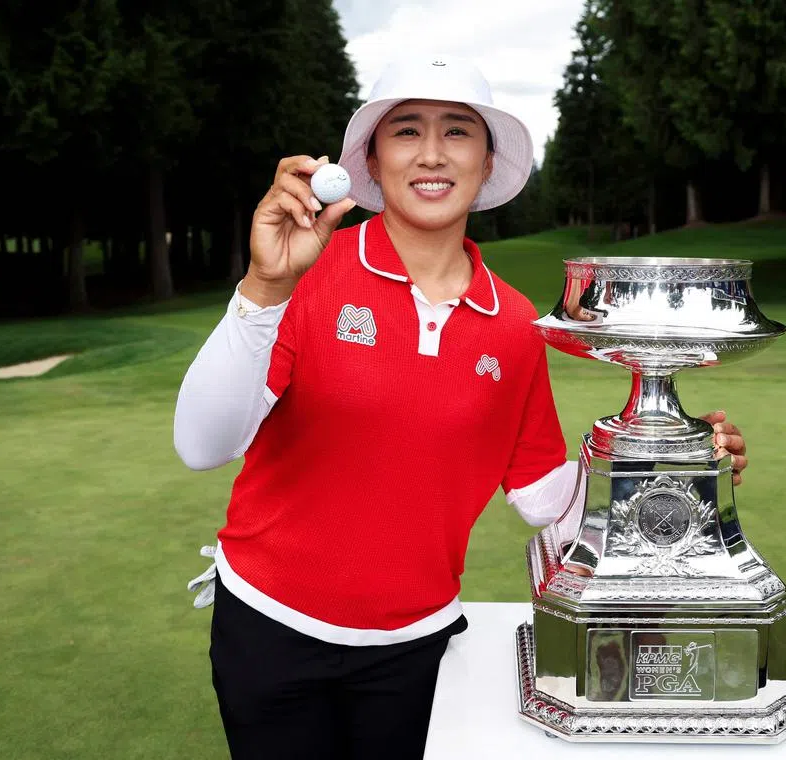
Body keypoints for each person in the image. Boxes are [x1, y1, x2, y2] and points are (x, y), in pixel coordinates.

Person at [173, 54, 748, 760]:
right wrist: (266, 286)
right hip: (269, 628)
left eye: (457, 131)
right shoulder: (309, 270)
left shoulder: (514, 322)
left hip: (415, 647)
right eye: (406, 131)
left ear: (486, 162)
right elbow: (201, 445)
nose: (432, 153)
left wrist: (669, 467)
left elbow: (543, 495)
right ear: (373, 160)